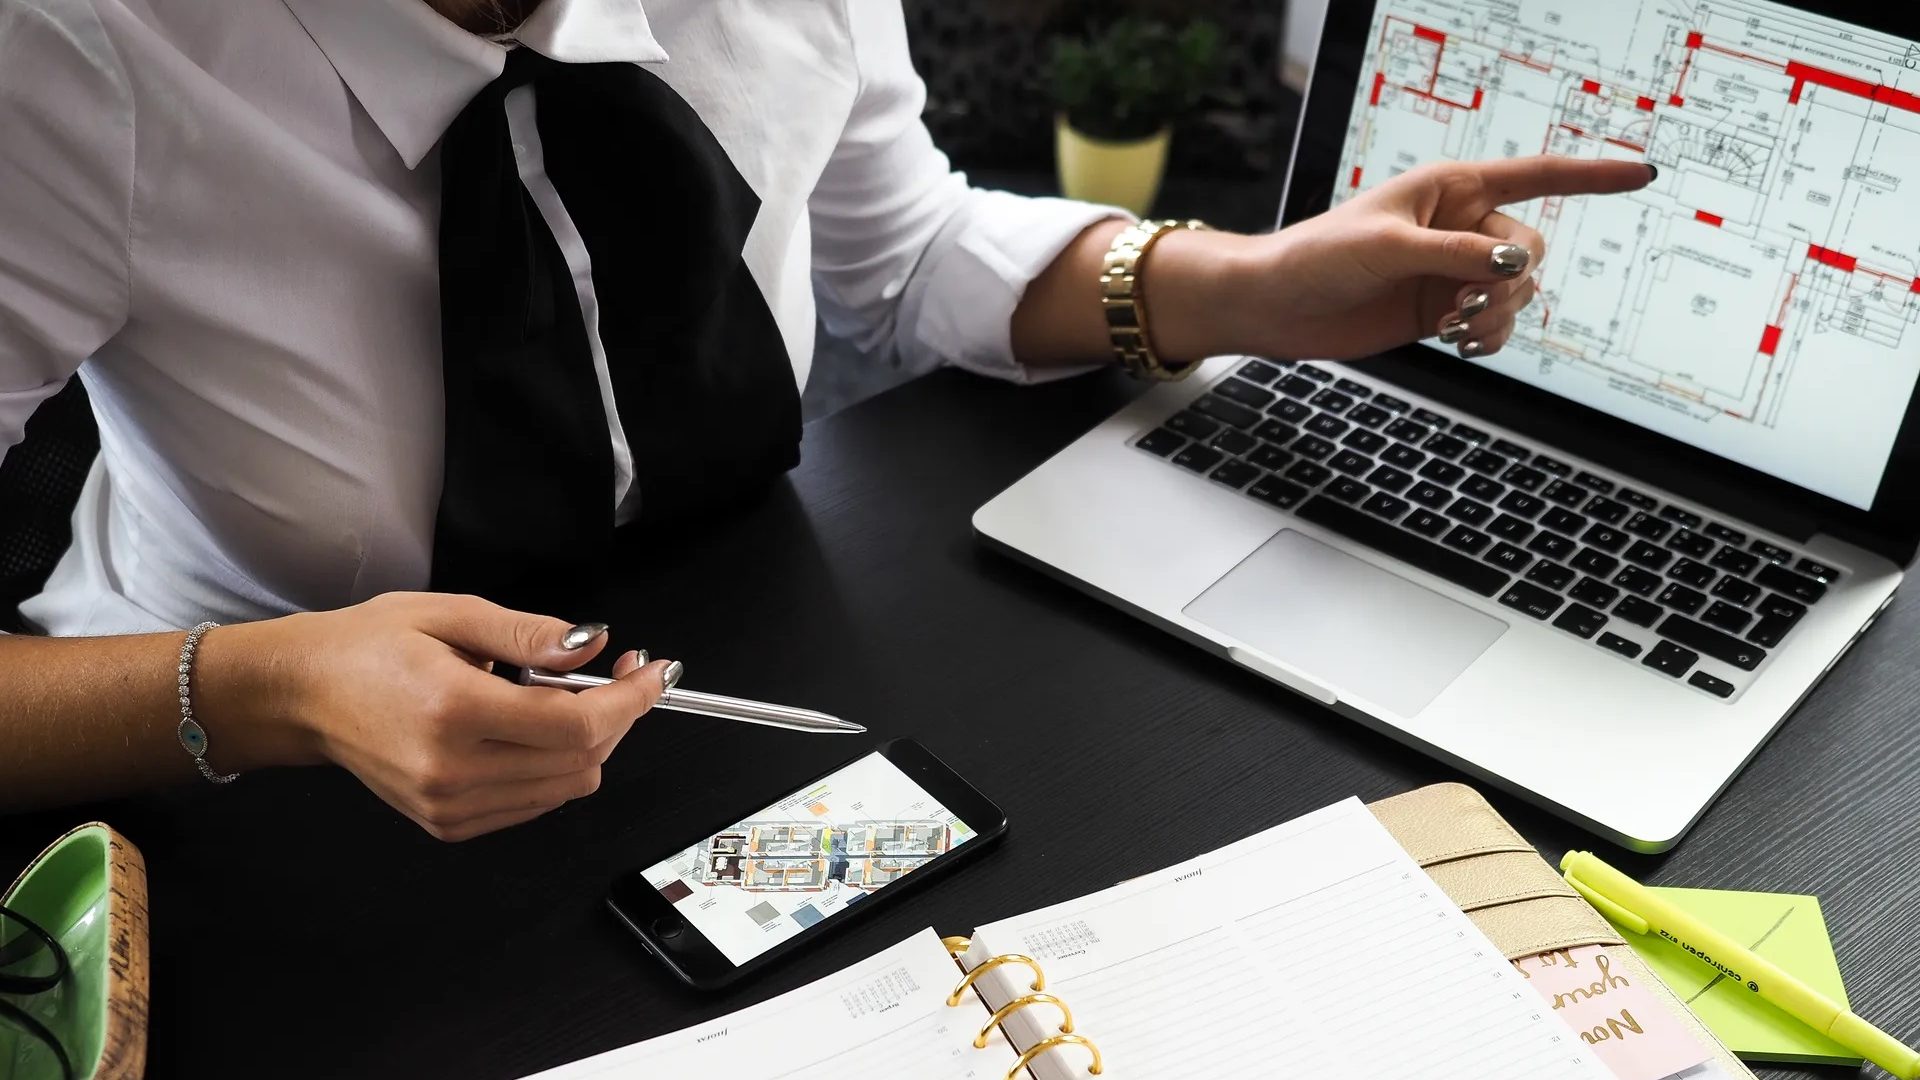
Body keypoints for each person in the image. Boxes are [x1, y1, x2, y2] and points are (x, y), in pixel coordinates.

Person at [0, 0, 1651, 840]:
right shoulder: (68, 60)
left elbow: (896, 247)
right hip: (257, 786)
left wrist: (1241, 283)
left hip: (748, 650)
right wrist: (275, 687)